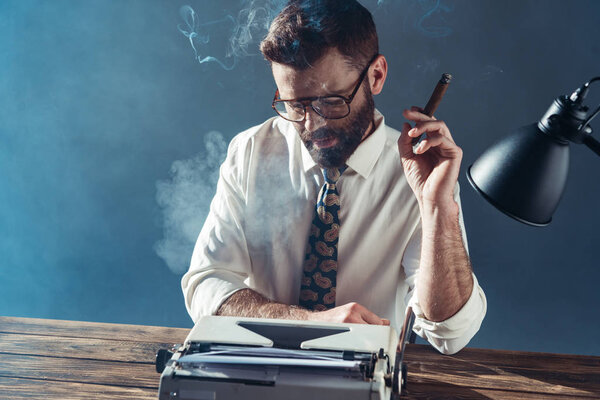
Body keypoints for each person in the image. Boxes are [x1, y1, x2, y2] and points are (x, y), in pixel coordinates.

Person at [182, 0, 486, 355]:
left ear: (376, 75)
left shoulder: (421, 169)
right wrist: (306, 324)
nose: (312, 126)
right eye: (295, 105)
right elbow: (207, 282)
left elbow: (451, 334)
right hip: (258, 372)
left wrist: (436, 206)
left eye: (330, 102)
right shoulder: (251, 151)